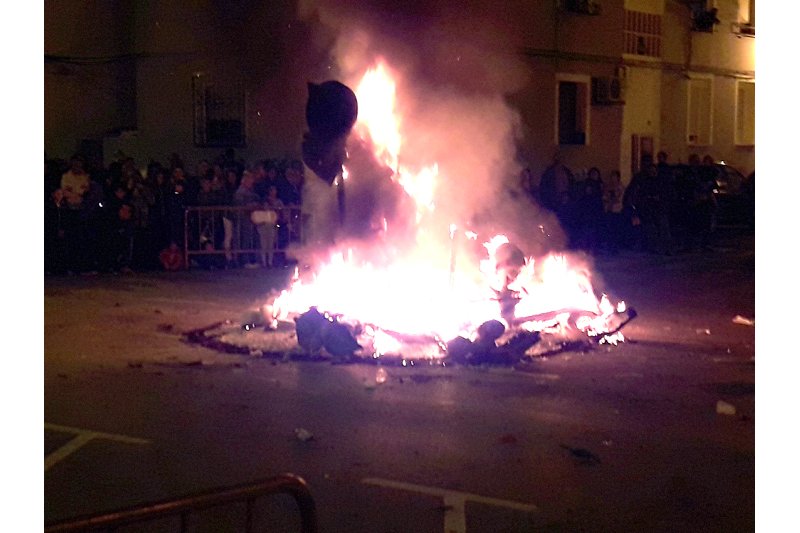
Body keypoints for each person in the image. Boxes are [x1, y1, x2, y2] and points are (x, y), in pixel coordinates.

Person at [254, 185, 285, 268]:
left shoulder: (278, 201)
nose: (273, 192)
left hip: (272, 224)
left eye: (274, 190)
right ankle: (264, 262)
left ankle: (270, 262)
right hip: (263, 225)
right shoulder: (264, 201)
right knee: (263, 244)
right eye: (272, 190)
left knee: (271, 244)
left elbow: (281, 211)